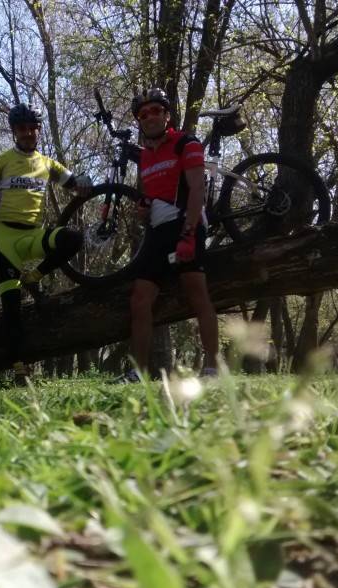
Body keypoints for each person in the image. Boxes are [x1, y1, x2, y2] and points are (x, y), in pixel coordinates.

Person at [0, 103, 91, 384]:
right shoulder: (1, 161)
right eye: (21, 129)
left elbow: (73, 182)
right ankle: (19, 369)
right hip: (4, 239)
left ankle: (35, 275)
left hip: (33, 235)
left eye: (32, 128)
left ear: (38, 130)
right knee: (11, 305)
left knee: (73, 238)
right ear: (14, 131)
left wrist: (85, 183)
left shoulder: (48, 163)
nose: (27, 133)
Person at [122, 88, 219, 381]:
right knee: (139, 300)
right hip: (157, 232)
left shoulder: (185, 143)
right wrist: (144, 205)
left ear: (167, 115)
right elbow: (155, 194)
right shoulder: (146, 157)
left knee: (196, 292)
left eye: (156, 111)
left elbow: (197, 191)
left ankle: (213, 368)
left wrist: (189, 234)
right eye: (143, 114)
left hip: (185, 224)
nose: (150, 117)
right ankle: (137, 372)